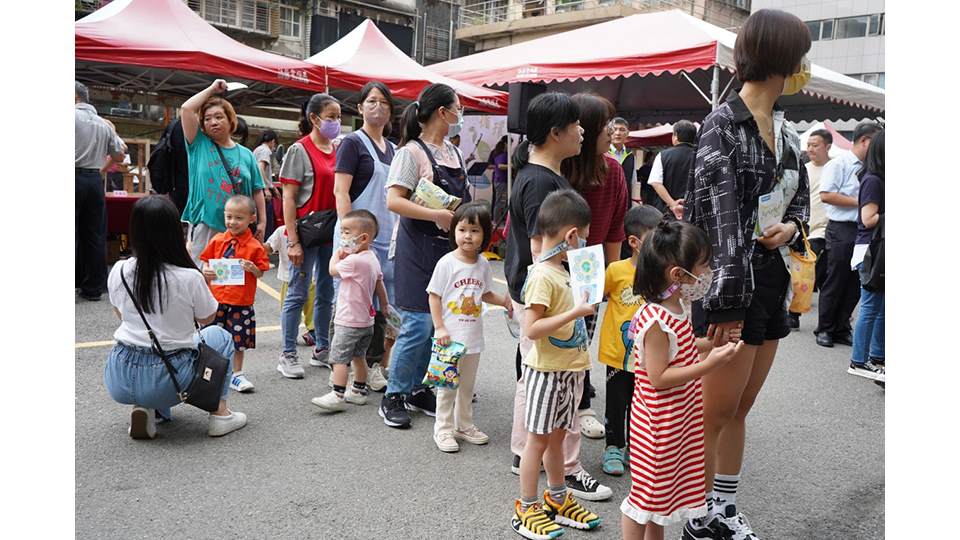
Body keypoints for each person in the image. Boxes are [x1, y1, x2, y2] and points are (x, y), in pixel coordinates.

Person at [682, 9, 812, 540]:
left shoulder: (782, 129)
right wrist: (728, 305)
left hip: (771, 285)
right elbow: (718, 221)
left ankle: (723, 508)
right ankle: (696, 514)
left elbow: (799, 199)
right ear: (781, 57)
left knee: (741, 407)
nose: (805, 64)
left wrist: (792, 227)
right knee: (713, 411)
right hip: (728, 292)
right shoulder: (722, 125)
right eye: (800, 53)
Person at [505, 92, 612, 502]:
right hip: (552, 301)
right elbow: (540, 251)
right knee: (559, 379)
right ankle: (564, 470)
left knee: (540, 378)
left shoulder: (543, 176)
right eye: (577, 125)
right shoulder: (539, 182)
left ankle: (528, 455)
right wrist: (575, 295)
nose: (583, 131)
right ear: (555, 133)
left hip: (548, 298)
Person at [621, 220, 742, 540]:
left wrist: (712, 344)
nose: (708, 272)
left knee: (658, 502)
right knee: (643, 501)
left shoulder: (678, 306)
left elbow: (683, 348)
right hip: (657, 427)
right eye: (703, 266)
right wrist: (709, 365)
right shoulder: (657, 320)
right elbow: (659, 377)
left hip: (676, 420)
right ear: (678, 274)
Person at [104, 195, 247, 439]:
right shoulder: (189, 277)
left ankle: (150, 410)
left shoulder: (119, 270)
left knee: (152, 340)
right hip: (171, 377)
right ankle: (220, 414)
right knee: (220, 336)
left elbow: (121, 314)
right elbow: (207, 318)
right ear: (174, 232)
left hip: (120, 375)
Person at [379, 83, 472, 429]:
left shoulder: (454, 152)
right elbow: (394, 200)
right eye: (457, 108)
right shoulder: (411, 153)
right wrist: (436, 215)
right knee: (417, 324)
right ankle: (394, 394)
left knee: (439, 326)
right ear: (441, 113)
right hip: (415, 248)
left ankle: (420, 388)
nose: (460, 114)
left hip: (447, 249)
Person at [511, 189, 602, 540]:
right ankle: (527, 506)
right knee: (537, 441)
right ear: (571, 236)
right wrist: (576, 311)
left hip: (568, 370)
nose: (585, 245)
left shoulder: (564, 270)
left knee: (557, 439)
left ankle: (558, 497)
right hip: (545, 373)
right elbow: (531, 329)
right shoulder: (542, 275)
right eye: (585, 238)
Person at [564, 93, 629, 440]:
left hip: (591, 271)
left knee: (580, 341)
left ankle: (580, 403)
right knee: (546, 341)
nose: (612, 131)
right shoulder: (561, 166)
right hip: (554, 268)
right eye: (605, 125)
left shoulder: (614, 170)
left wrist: (612, 281)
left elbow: (616, 231)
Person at [427, 202, 512, 452]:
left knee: (466, 387)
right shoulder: (446, 263)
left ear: (485, 234)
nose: (467, 236)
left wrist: (507, 302)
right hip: (449, 339)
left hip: (473, 339)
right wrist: (439, 327)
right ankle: (442, 430)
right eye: (462, 229)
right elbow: (434, 295)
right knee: (446, 386)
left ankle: (463, 425)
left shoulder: (483, 264)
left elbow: (484, 293)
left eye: (475, 231)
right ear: (454, 231)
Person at [333, 81, 398, 392]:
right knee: (352, 307)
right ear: (359, 108)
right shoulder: (352, 143)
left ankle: (376, 365)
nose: (378, 108)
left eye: (384, 103)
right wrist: (348, 239)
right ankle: (343, 370)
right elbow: (340, 191)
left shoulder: (395, 149)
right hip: (357, 241)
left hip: (386, 238)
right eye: (371, 102)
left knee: (383, 307)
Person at [276, 93, 342, 379]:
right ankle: (287, 354)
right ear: (314, 119)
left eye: (339, 117)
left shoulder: (338, 148)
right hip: (305, 231)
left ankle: (322, 349)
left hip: (332, 232)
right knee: (297, 293)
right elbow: (288, 199)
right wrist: (292, 241)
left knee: (326, 292)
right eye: (331, 117)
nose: (336, 122)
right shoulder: (298, 150)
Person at [598, 205, 662, 477]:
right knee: (617, 401)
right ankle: (613, 446)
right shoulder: (616, 270)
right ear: (634, 243)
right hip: (617, 352)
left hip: (648, 355)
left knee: (643, 404)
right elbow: (596, 293)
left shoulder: (661, 273)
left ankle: (634, 447)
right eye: (654, 239)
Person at [180, 79, 266, 268]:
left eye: (219, 117)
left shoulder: (247, 155)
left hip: (239, 227)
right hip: (205, 224)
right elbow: (186, 109)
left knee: (231, 278)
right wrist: (212, 89)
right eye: (207, 119)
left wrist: (261, 222)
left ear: (230, 120)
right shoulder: (198, 144)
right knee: (202, 274)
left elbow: (257, 190)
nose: (213, 122)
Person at [311, 210, 390, 411]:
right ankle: (358, 391)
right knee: (359, 357)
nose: (342, 237)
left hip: (348, 321)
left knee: (339, 358)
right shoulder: (371, 257)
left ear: (363, 238)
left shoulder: (354, 261)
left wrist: (337, 255)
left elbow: (332, 271)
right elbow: (379, 283)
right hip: (366, 321)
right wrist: (385, 303)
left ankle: (337, 395)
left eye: (346, 232)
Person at [815, 121, 881, 348]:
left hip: (864, 231)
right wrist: (863, 202)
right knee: (836, 279)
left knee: (856, 282)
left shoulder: (872, 167)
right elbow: (826, 195)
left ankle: (842, 326)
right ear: (864, 141)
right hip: (842, 228)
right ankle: (824, 328)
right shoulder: (839, 163)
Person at [198, 195, 271, 393]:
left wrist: (253, 269)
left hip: (241, 302)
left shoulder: (255, 246)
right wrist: (205, 270)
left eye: (239, 218)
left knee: (238, 340)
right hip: (216, 300)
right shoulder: (217, 240)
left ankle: (236, 375)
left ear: (251, 219)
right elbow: (205, 262)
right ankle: (210, 373)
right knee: (211, 338)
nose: (232, 222)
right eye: (229, 217)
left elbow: (262, 272)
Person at [76, 81, 126, 301]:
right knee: (95, 234)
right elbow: (119, 155)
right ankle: (94, 288)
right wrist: (101, 171)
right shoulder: (104, 124)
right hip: (93, 180)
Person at [847, 130, 885, 382]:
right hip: (871, 251)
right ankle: (859, 360)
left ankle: (876, 357)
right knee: (871, 307)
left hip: (875, 250)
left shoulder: (876, 177)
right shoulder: (873, 180)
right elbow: (868, 219)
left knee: (880, 307)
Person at [788, 128, 832, 329]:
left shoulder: (835, 167)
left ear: (828, 146)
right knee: (801, 274)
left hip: (825, 230)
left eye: (816, 145)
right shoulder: (803, 168)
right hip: (803, 229)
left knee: (815, 274)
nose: (811, 149)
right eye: (809, 145)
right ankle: (793, 314)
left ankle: (831, 319)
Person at [264, 226, 318, 349]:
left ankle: (313, 332)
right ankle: (290, 335)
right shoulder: (281, 231)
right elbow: (269, 247)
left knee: (310, 308)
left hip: (310, 277)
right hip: (289, 278)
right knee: (288, 309)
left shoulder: (312, 226)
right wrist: (255, 243)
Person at [648, 120, 698, 219]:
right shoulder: (700, 155)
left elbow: (655, 182)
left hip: (667, 212)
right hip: (693, 211)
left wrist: (673, 204)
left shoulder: (662, 155)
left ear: (675, 136)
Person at [253, 130, 281, 242]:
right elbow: (261, 169)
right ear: (273, 141)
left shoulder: (257, 150)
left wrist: (273, 187)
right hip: (261, 191)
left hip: (256, 189)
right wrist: (266, 188)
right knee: (265, 219)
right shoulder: (265, 151)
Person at [607, 117, 637, 209]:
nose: (617, 133)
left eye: (622, 130)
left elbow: (633, 182)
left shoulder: (630, 156)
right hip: (606, 201)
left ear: (627, 133)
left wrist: (632, 203)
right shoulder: (604, 153)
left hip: (625, 204)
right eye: (614, 129)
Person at [488, 135, 510, 229]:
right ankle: (496, 221)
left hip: (500, 180)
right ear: (505, 144)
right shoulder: (502, 155)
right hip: (500, 180)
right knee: (499, 202)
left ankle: (498, 220)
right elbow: (500, 166)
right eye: (509, 144)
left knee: (501, 201)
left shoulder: (499, 154)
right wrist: (511, 166)